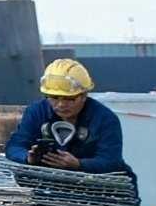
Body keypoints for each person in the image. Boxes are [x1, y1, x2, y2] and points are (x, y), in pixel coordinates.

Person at [11, 59, 133, 197]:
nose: (61, 105)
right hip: (50, 188)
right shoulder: (36, 112)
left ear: (84, 95)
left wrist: (79, 164)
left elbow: (111, 160)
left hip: (99, 191)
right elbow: (15, 146)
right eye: (54, 98)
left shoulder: (104, 119)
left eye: (69, 99)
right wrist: (28, 158)